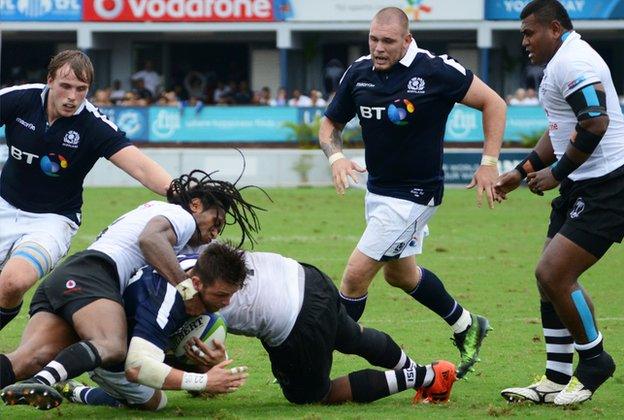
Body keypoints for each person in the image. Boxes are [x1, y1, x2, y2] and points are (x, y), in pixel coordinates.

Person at [319, 7, 507, 378]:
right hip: (379, 192)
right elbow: (330, 124)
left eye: (387, 41)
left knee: (355, 276)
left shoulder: (436, 70)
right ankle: (467, 325)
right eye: (373, 39)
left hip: (416, 195)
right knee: (401, 275)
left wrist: (489, 162)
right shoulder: (358, 72)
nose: (378, 48)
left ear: (407, 40)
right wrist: (336, 156)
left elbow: (494, 103)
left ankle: (314, 356)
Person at [47, 244, 458, 410]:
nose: (225, 304)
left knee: (311, 395)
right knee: (351, 335)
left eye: (230, 295)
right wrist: (202, 374)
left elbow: (139, 366)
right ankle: (427, 374)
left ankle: (421, 376)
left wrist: (202, 378)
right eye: (221, 296)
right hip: (305, 275)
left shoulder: (178, 290)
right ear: (198, 280)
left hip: (296, 315)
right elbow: (148, 362)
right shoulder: (185, 268)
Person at [0, 171, 264, 410]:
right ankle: (41, 381)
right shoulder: (182, 218)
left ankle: (41, 378)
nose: (215, 232)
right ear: (195, 205)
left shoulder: (165, 221)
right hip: (96, 274)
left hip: (68, 277)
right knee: (111, 345)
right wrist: (187, 291)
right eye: (215, 221)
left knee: (27, 359)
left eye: (220, 229)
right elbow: (150, 240)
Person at [496, 0, 621, 405]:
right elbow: (561, 130)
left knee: (553, 273)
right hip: (583, 186)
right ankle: (554, 377)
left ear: (554, 28)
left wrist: (557, 173)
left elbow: (595, 121)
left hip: (608, 186)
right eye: (522, 34)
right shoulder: (560, 61)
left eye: (529, 33)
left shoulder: (573, 62)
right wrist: (521, 171)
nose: (524, 42)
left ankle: (595, 360)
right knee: (548, 279)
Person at [0, 50, 173, 331]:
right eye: (65, 86)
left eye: (81, 89)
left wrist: (181, 190)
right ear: (50, 81)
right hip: (4, 203)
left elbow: (140, 167)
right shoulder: (20, 99)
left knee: (13, 282)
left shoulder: (92, 125)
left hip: (52, 220)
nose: (72, 96)